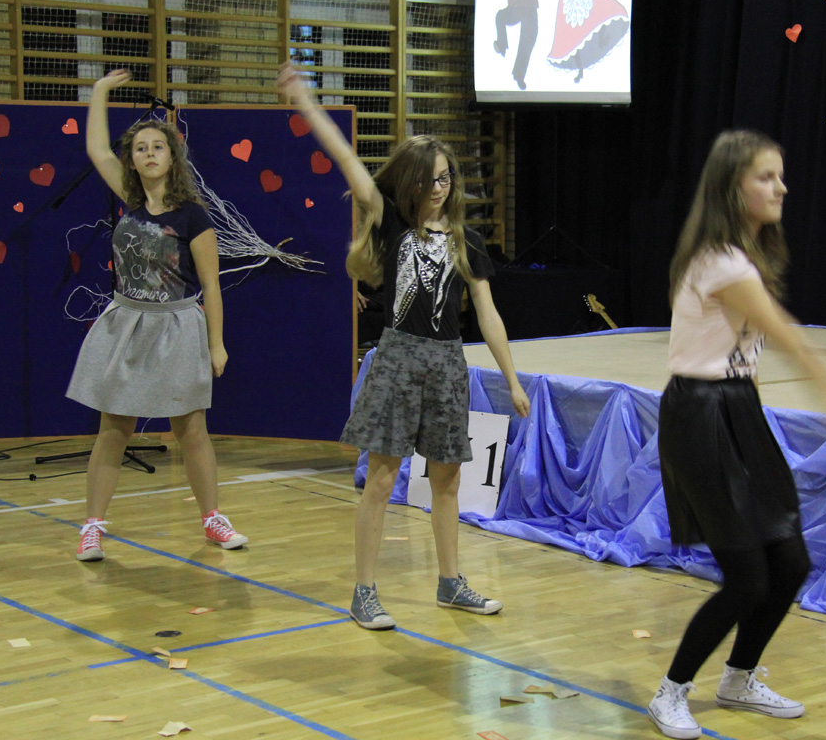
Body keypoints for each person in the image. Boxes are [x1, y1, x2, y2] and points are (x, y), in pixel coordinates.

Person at [277, 64, 531, 631]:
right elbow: (346, 158)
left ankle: (450, 582)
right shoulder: (392, 222)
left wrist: (512, 379)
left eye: (447, 178)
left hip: (446, 364)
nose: (440, 188)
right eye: (431, 179)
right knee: (384, 476)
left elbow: (487, 313)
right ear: (412, 182)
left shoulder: (466, 240)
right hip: (398, 358)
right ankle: (364, 590)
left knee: (447, 480)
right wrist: (305, 101)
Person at [647, 130, 826, 738]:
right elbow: (792, 340)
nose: (781, 188)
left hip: (737, 409)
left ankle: (738, 678)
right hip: (699, 415)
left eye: (780, 175)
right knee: (747, 577)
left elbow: (751, 358)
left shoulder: (744, 257)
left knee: (790, 562)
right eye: (766, 177)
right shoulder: (722, 262)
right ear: (732, 189)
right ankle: (670, 692)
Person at [68, 69, 247, 561]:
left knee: (191, 429)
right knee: (114, 428)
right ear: (133, 159)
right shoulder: (129, 200)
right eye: (141, 148)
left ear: (172, 157)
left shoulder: (193, 215)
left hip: (177, 326)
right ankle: (92, 527)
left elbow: (211, 285)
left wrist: (216, 344)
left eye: (158, 147)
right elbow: (96, 150)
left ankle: (212, 518)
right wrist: (100, 91)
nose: (149, 153)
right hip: (127, 324)